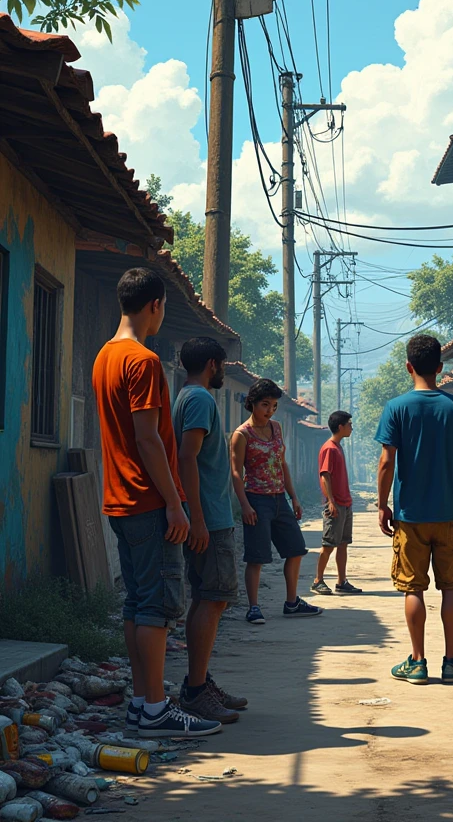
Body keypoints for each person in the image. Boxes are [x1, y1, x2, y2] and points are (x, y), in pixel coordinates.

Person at [92, 268, 221, 737]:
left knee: (136, 604)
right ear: (156, 305)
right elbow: (148, 440)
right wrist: (174, 502)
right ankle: (154, 709)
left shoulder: (104, 356)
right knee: (156, 608)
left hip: (119, 500)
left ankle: (142, 704)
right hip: (148, 500)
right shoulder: (141, 361)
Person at [375, 335, 453, 686]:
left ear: (409, 367)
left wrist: (382, 504)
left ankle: (417, 662)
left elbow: (387, 462)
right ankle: (451, 661)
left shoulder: (397, 408)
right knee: (451, 589)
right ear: (440, 368)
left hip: (410, 517)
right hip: (449, 514)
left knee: (413, 589)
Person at [172, 336, 248, 724]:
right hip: (211, 519)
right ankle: (197, 692)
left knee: (206, 598)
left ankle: (197, 683)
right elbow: (187, 457)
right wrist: (198, 517)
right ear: (214, 364)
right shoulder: (200, 399)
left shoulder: (185, 396)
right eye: (222, 367)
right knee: (214, 599)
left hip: (207, 515)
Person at [230, 378, 322, 623]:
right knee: (257, 557)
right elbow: (236, 472)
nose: (269, 410)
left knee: (296, 550)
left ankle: (292, 603)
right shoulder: (242, 435)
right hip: (256, 501)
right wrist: (245, 505)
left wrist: (295, 497)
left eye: (273, 406)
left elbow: (282, 464)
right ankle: (254, 607)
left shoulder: (277, 429)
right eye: (264, 405)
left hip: (280, 499)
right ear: (252, 404)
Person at [311, 410, 362, 596]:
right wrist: (331, 502)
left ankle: (342, 581)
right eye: (349, 424)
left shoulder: (338, 447)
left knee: (342, 543)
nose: (352, 427)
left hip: (345, 502)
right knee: (329, 543)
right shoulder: (330, 448)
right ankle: (318, 580)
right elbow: (325, 476)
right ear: (340, 427)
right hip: (336, 504)